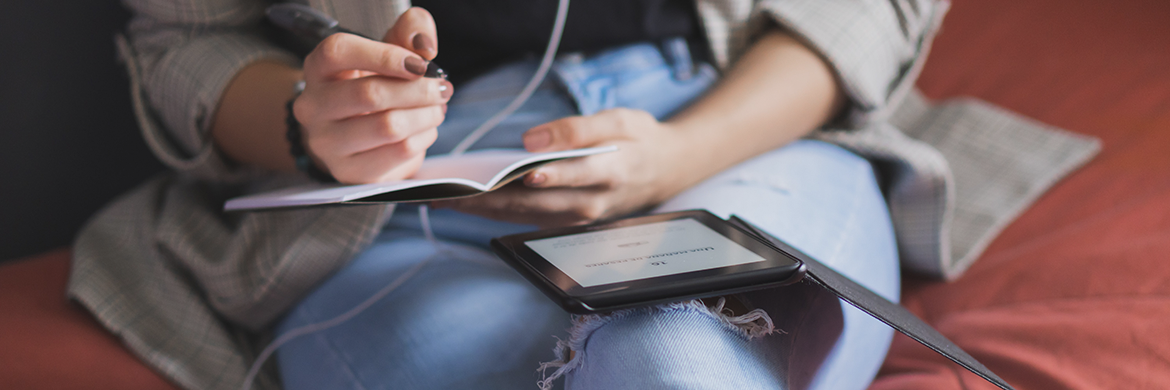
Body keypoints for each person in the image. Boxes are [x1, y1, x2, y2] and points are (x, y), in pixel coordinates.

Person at [68, 0, 1100, 389]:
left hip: (735, 135)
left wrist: (677, 157)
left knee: (676, 355)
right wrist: (308, 116)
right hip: (394, 202)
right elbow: (182, 42)